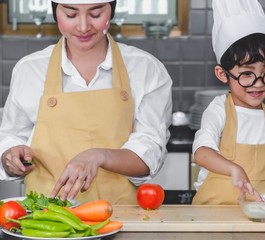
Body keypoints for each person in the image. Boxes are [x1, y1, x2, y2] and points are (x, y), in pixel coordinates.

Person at [0, 0, 172, 205]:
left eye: (96, 14)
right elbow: (11, 137)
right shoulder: (29, 69)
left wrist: (98, 156)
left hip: (122, 216)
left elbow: (150, 152)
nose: (83, 26)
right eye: (71, 15)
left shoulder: (146, 68)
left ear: (112, 11)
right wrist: (11, 157)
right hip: (46, 220)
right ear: (55, 13)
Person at [191, 0, 265, 205]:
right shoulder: (219, 110)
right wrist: (235, 169)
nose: (258, 84)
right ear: (222, 74)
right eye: (247, 74)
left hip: (254, 220)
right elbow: (201, 152)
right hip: (210, 218)